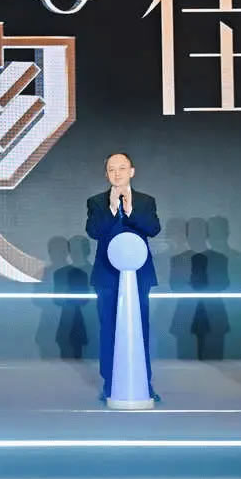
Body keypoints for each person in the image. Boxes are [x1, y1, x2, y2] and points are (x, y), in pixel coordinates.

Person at [86, 151, 162, 405]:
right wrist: (111, 208)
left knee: (140, 329)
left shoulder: (146, 201)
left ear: (132, 171)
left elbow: (153, 228)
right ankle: (110, 383)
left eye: (121, 168)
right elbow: (94, 231)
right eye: (111, 169)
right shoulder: (97, 202)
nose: (116, 173)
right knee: (109, 329)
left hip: (139, 276)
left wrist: (130, 211)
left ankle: (144, 383)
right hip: (107, 276)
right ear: (106, 174)